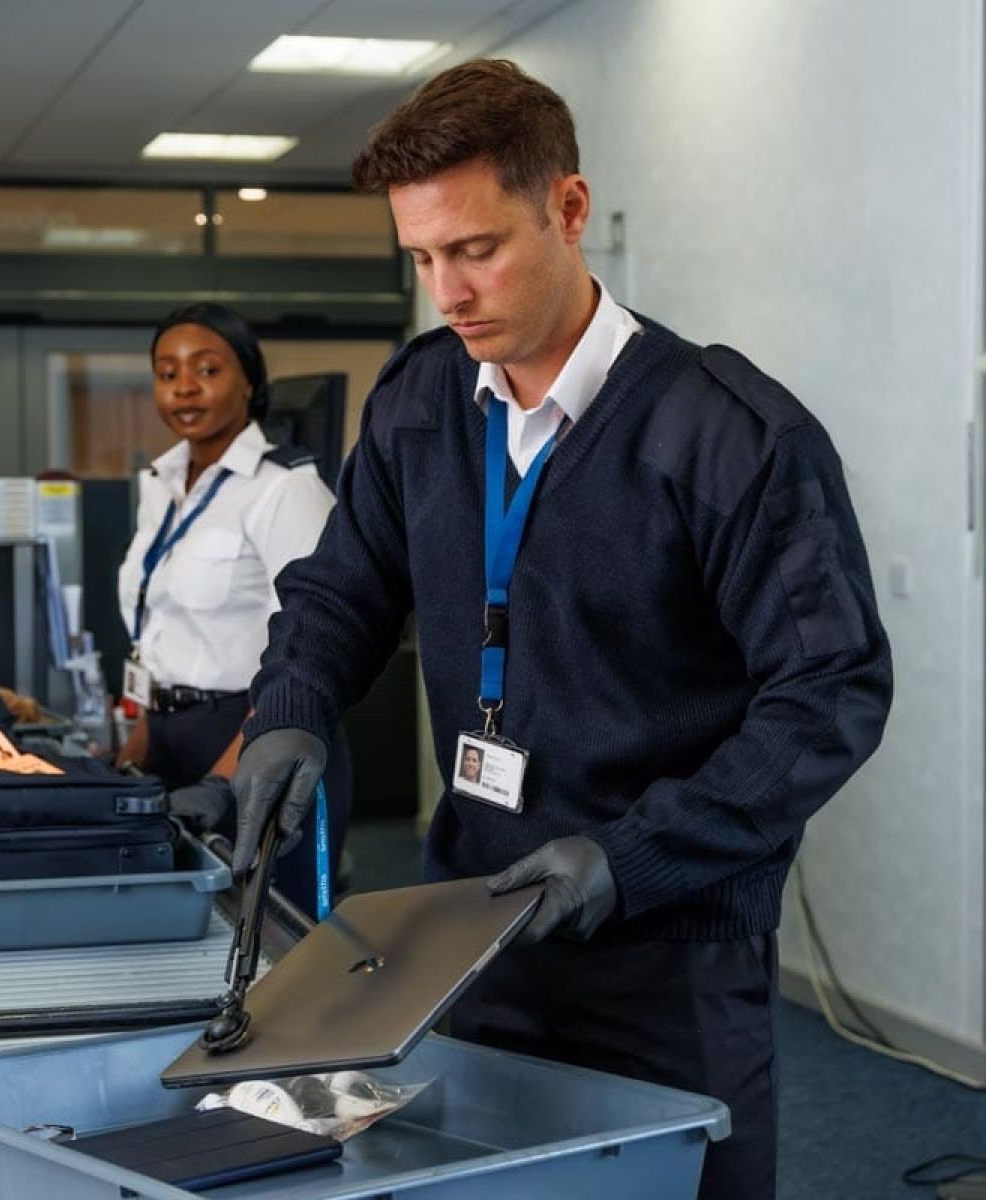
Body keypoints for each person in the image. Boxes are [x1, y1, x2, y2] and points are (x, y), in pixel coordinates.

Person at [225, 59, 892, 1200]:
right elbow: (342, 591)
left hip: (664, 953)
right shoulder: (418, 404)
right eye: (424, 258)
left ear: (570, 210)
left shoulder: (729, 438)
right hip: (466, 940)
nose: (449, 289)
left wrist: (628, 859)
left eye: (476, 249)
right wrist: (292, 710)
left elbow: (830, 694)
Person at [116, 302, 350, 918]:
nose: (184, 387)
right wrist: (139, 738)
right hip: (171, 742)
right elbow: (164, 625)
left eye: (207, 369)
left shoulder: (285, 487)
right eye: (167, 373)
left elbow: (313, 646)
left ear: (250, 380)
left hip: (262, 742)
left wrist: (226, 782)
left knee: (278, 949)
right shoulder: (161, 484)